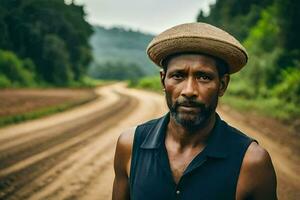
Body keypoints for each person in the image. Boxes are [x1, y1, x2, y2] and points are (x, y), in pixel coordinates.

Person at [112, 22, 277, 200]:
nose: (189, 90)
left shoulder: (252, 162)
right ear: (163, 81)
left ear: (222, 85)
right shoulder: (130, 146)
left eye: (204, 77)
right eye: (178, 76)